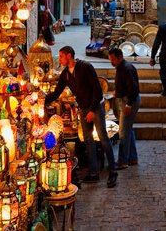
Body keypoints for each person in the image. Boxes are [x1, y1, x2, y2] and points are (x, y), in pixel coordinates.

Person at [45, 46, 118, 188]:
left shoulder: (86, 67)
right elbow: (57, 92)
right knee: (88, 139)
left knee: (103, 137)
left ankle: (113, 171)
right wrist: (43, 100)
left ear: (69, 56)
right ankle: (93, 172)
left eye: (61, 56)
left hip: (96, 105)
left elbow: (97, 91)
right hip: (84, 108)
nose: (59, 59)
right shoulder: (66, 74)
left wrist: (92, 111)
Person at [108, 48, 140, 169]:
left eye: (113, 59)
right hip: (125, 99)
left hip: (129, 101)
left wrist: (129, 104)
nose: (111, 62)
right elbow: (125, 85)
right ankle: (132, 158)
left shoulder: (127, 68)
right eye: (110, 60)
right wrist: (118, 92)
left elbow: (133, 88)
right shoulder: (121, 68)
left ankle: (123, 161)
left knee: (123, 132)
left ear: (120, 57)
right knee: (128, 130)